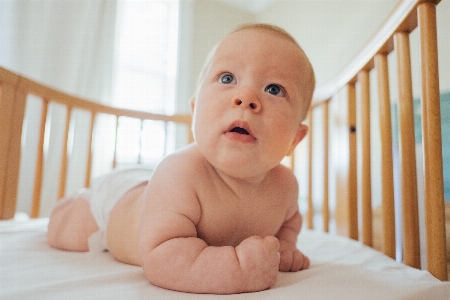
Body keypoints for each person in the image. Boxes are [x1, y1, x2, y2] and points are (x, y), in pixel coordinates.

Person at [47, 23, 316, 294]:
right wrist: (236, 271)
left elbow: (290, 221)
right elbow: (161, 257)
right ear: (194, 109)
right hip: (115, 206)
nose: (246, 98)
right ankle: (73, 202)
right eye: (227, 78)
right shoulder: (181, 172)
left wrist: (286, 245)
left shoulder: (285, 186)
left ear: (295, 138)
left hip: (152, 188)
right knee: (65, 232)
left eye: (274, 89)